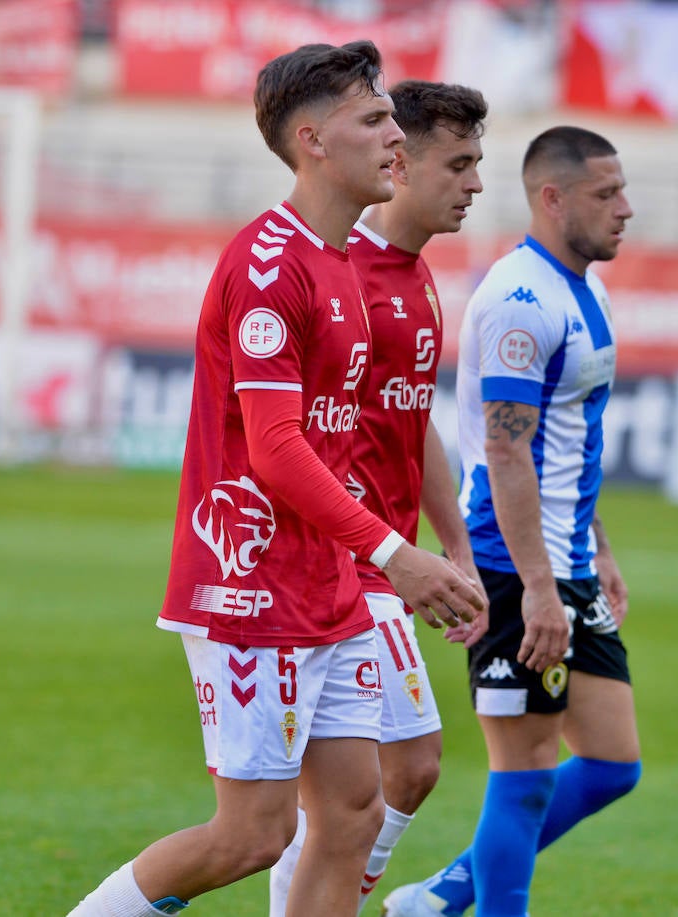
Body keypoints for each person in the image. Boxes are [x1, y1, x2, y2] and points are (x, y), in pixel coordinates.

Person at [66, 42, 485, 917]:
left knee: (355, 811)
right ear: (311, 141)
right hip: (250, 585)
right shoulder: (269, 265)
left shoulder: (342, 266)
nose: (394, 141)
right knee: (251, 833)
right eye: (373, 121)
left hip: (327, 583)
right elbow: (276, 449)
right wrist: (394, 552)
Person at [381, 126, 642, 917]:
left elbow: (572, 439)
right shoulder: (519, 304)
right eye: (606, 195)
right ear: (551, 198)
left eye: (623, 190)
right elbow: (506, 453)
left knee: (610, 763)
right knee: (524, 777)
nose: (625, 209)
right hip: (513, 565)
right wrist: (534, 586)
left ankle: (440, 897)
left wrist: (595, 547)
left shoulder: (583, 288)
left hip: (564, 559)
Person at [267, 79, 490, 917]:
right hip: (347, 562)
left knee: (386, 780)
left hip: (388, 557)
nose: (473, 184)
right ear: (401, 159)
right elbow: (292, 434)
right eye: (459, 164)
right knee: (388, 777)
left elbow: (410, 420)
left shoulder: (414, 275)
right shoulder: (341, 269)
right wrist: (388, 553)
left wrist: (457, 543)